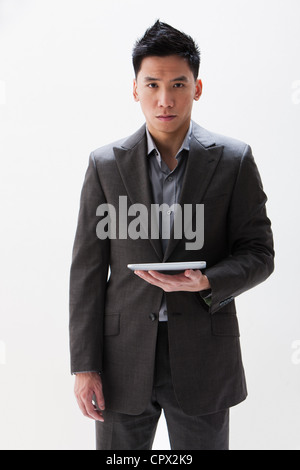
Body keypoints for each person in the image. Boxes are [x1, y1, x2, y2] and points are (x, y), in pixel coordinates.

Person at [69, 20, 274, 451]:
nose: (165, 99)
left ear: (197, 87)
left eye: (179, 84)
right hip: (121, 360)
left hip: (204, 356)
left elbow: (259, 253)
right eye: (153, 84)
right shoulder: (105, 165)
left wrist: (209, 282)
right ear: (135, 88)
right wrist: (84, 366)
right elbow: (87, 271)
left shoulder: (234, 161)